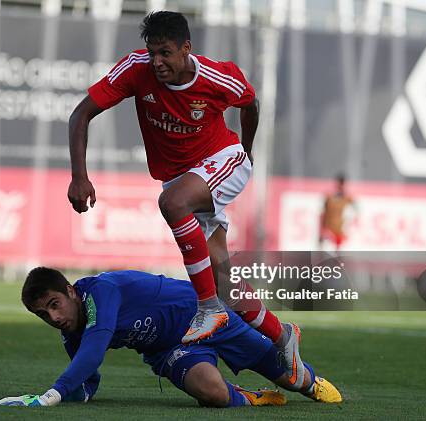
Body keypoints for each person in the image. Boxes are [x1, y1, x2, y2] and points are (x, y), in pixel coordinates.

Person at [66, 10, 304, 388]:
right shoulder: (135, 68)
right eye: (152, 53)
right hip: (182, 178)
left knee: (173, 205)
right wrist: (79, 175)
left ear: (186, 48)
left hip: (223, 161)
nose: (156, 62)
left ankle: (208, 309)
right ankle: (283, 335)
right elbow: (81, 115)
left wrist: (246, 148)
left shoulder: (217, 76)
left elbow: (250, 104)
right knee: (225, 280)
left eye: (165, 53)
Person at [0, 267, 342, 408]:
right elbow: (87, 381)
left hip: (207, 316)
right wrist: (66, 397)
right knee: (214, 395)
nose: (54, 318)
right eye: (44, 315)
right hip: (170, 349)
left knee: (293, 379)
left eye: (54, 305)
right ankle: (251, 398)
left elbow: (97, 346)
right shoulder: (71, 331)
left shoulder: (102, 291)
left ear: (71, 291)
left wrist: (49, 396)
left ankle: (310, 383)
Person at [320, 174, 355, 251]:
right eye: (340, 183)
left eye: (342, 183)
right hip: (329, 229)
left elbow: (354, 211)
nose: (341, 185)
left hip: (339, 229)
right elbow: (323, 212)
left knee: (337, 252)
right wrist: (322, 228)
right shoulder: (329, 196)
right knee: (326, 252)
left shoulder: (347, 198)